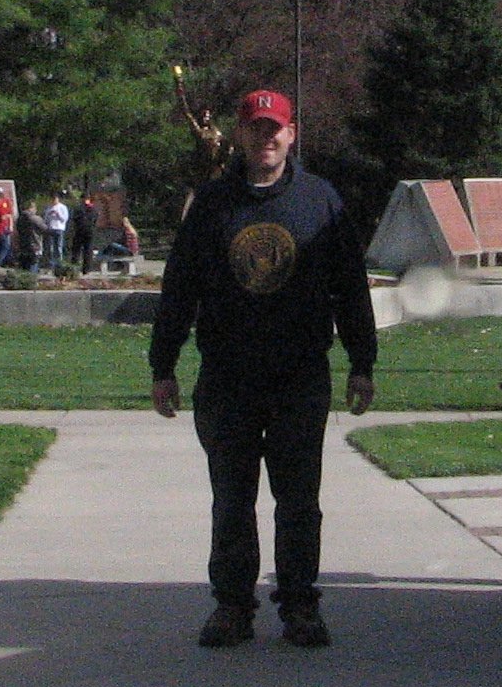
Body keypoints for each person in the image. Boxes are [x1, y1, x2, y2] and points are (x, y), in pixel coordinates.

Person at [149, 88, 376, 650]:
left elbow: (350, 290)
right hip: (228, 377)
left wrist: (362, 363)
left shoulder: (321, 202)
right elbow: (180, 287)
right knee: (232, 499)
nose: (266, 136)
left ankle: (300, 605)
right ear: (241, 135)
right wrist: (164, 364)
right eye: (256, 127)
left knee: (299, 500)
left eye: (276, 127)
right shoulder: (213, 205)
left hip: (300, 376)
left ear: (291, 135)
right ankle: (232, 606)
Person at [41, 194, 70, 272]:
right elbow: (45, 219)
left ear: (58, 199)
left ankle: (59, 264)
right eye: (52, 199)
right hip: (51, 228)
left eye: (55, 199)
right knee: (51, 247)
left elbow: (65, 219)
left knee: (59, 247)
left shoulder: (63, 207)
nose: (53, 200)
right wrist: (49, 214)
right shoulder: (49, 207)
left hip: (59, 228)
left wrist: (58, 214)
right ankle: (51, 264)